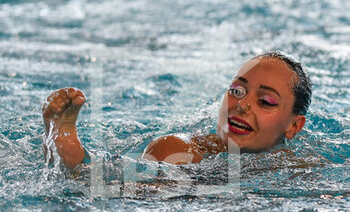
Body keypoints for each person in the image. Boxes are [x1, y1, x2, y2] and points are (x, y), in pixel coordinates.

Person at [42, 51, 312, 170]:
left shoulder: (304, 165)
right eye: (237, 91)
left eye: (266, 101)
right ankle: (62, 137)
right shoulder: (178, 150)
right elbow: (110, 189)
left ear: (294, 125)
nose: (242, 105)